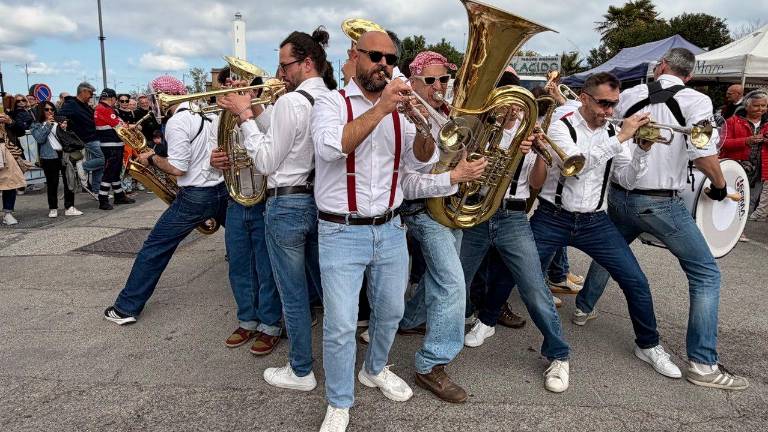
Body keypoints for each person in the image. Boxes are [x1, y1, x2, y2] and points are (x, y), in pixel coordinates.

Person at [575, 52, 750, 391]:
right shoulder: (697, 100)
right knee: (706, 273)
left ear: (663, 68)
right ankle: (702, 363)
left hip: (620, 195)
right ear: (689, 73)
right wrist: (720, 186)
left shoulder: (629, 94)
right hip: (658, 202)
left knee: (612, 250)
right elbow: (703, 155)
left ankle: (583, 308)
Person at [310, 30, 435, 432]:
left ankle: (375, 369)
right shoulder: (332, 102)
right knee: (343, 322)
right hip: (340, 231)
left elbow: (420, 164)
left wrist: (428, 128)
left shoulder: (400, 108)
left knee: (392, 311)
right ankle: (339, 400)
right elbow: (332, 147)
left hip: (391, 228)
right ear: (355, 56)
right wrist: (382, 108)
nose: (383, 63)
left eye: (390, 58)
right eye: (375, 56)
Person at [529, 72, 684, 387]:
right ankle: (487, 320)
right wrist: (621, 139)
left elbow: (626, 180)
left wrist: (641, 150)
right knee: (513, 270)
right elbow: (576, 167)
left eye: (613, 104)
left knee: (636, 281)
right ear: (585, 98)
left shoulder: (615, 131)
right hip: (553, 215)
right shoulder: (561, 122)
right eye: (603, 103)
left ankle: (649, 345)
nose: (610, 111)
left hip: (595, 222)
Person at [217, 27, 337, 388]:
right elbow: (290, 137)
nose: (280, 74)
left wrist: (244, 118)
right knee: (329, 290)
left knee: (294, 293)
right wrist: (253, 106)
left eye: (286, 66)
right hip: (319, 201)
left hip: (287, 205)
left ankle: (300, 368)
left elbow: (267, 160)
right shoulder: (330, 98)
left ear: (307, 62)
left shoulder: (290, 101)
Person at [104, 76, 229, 325]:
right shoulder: (206, 114)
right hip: (220, 189)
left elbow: (177, 168)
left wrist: (150, 159)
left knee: (154, 248)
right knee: (244, 244)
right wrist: (151, 146)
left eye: (152, 98)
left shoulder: (177, 121)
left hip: (195, 195)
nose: (151, 104)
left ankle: (126, 308)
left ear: (162, 96)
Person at [395, 50, 479, 404]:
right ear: (414, 81)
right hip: (421, 209)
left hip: (445, 205)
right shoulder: (404, 116)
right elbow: (405, 183)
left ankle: (411, 320)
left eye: (443, 79)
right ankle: (430, 363)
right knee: (452, 283)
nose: (439, 86)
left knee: (441, 275)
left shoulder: (444, 114)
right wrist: (453, 177)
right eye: (430, 80)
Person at [721, 90, 768, 220]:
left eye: (764, 105)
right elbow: (722, 143)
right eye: (756, 105)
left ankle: (740, 229)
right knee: (732, 199)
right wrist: (746, 141)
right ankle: (729, 227)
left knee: (750, 201)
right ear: (747, 106)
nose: (761, 109)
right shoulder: (732, 121)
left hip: (760, 170)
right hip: (736, 167)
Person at [30, 101, 82, 217]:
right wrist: (48, 124)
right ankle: (53, 208)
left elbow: (67, 138)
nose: (50, 112)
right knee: (52, 183)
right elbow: (40, 138)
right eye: (47, 109)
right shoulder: (36, 125)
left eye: (52, 109)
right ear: (41, 111)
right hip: (48, 156)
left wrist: (63, 128)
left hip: (64, 154)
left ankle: (69, 207)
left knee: (69, 180)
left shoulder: (58, 121)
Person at [94, 88, 135, 210]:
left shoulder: (103, 108)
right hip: (111, 145)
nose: (115, 102)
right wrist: (131, 126)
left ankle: (119, 195)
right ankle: (103, 199)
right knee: (109, 172)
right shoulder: (104, 109)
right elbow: (120, 125)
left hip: (113, 144)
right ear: (112, 98)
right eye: (115, 100)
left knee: (115, 172)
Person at [60, 82, 104, 195]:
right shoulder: (71, 104)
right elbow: (60, 116)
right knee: (104, 159)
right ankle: (83, 167)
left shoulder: (85, 105)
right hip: (85, 138)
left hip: (94, 136)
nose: (91, 96)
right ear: (83, 91)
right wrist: (64, 123)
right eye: (90, 93)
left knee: (100, 164)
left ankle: (97, 190)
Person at [1, 125, 26, 225]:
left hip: (5, 150)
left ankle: (8, 212)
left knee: (11, 181)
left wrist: (10, 122)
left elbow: (21, 130)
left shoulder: (7, 114)